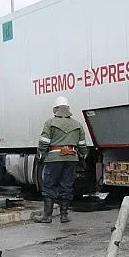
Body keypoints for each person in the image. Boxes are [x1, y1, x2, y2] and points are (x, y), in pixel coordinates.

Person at [34, 96, 88, 224]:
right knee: (67, 185)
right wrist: (82, 156)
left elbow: (44, 142)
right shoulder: (77, 124)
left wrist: (40, 155)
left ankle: (47, 216)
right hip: (71, 159)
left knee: (49, 185)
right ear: (68, 109)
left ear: (56, 109)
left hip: (54, 159)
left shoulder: (50, 123)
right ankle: (64, 215)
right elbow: (82, 145)